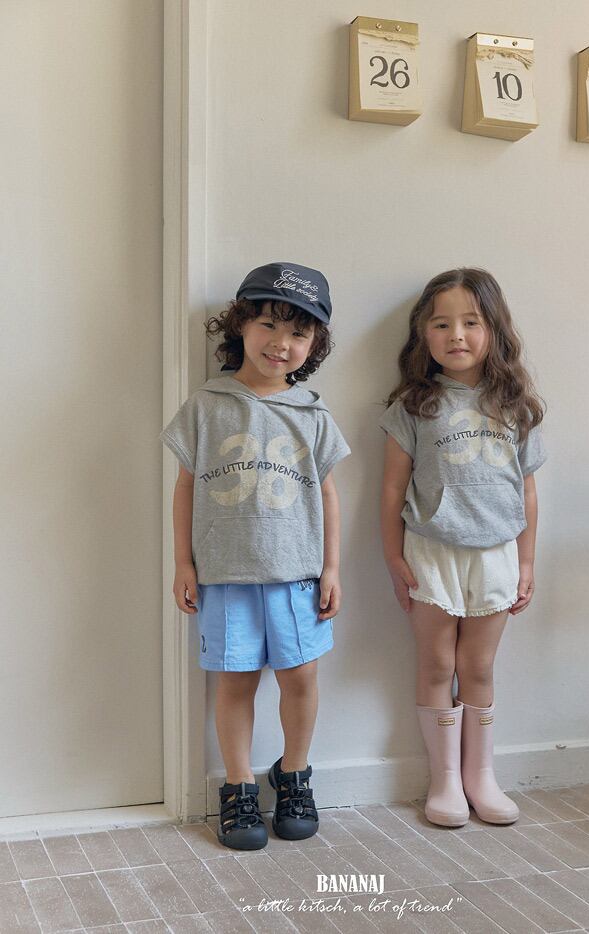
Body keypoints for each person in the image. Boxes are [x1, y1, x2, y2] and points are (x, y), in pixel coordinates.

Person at [161, 263, 350, 850]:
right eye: (269, 324)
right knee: (235, 682)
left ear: (314, 345)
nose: (281, 342)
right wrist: (184, 563)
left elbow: (329, 494)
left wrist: (332, 567)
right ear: (241, 324)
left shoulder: (313, 413)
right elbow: (185, 486)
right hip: (225, 575)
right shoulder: (206, 405)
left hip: (297, 576)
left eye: (298, 332)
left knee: (301, 677)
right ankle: (239, 786)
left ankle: (292, 775)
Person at [380, 267, 546, 826]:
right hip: (431, 552)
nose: (456, 335)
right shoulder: (413, 406)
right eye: (441, 324)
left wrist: (526, 560)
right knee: (436, 663)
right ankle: (445, 779)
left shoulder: (516, 405)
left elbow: (527, 490)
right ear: (423, 335)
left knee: (477, 665)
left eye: (471, 322)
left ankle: (481, 776)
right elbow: (391, 489)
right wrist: (393, 557)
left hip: (497, 554)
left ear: (494, 330)